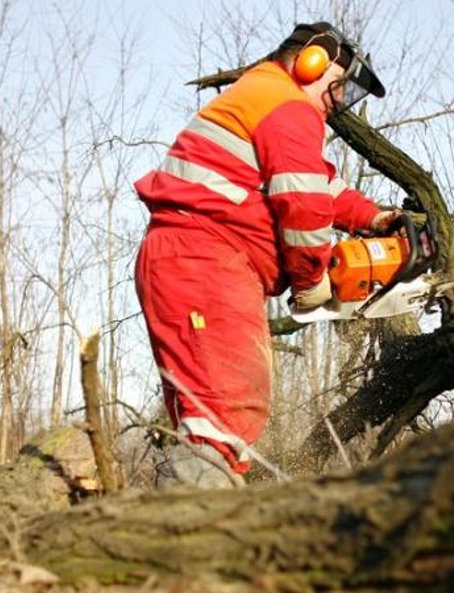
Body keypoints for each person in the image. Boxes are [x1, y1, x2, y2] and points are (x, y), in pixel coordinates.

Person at [133, 21, 399, 487]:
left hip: (192, 258)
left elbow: (319, 187)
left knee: (211, 416)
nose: (337, 102)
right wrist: (311, 279)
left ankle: (180, 532)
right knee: (224, 414)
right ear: (313, 60)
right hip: (205, 260)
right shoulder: (287, 105)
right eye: (338, 87)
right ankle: (182, 540)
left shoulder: (264, 98)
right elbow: (303, 204)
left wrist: (376, 219)